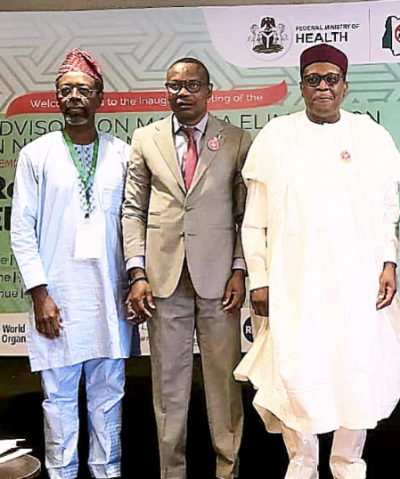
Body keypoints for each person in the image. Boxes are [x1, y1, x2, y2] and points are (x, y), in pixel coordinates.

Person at [234, 43, 400, 479]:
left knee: (356, 364)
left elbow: (389, 212)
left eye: (331, 79)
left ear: (345, 86)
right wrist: (258, 277)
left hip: (357, 280)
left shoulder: (371, 137)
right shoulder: (275, 137)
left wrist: (388, 263)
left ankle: (348, 461)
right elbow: (253, 221)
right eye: (314, 80)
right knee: (297, 363)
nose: (323, 87)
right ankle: (303, 461)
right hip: (295, 282)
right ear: (302, 86)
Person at [122, 57, 251, 479]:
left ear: (209, 90)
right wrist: (137, 273)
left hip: (219, 281)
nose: (183, 94)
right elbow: (132, 210)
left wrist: (239, 268)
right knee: (168, 387)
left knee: (224, 385)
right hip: (163, 281)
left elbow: (244, 214)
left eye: (192, 85)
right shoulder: (146, 139)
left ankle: (227, 470)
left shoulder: (235, 139)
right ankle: (171, 472)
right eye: (175, 86)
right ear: (166, 90)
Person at [10, 48, 133, 479]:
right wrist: (40, 293)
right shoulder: (36, 155)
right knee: (58, 399)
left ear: (100, 97)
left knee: (108, 396)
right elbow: (22, 228)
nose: (74, 97)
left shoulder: (123, 153)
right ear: (56, 99)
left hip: (108, 294)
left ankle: (107, 472)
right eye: (66, 90)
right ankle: (61, 474)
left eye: (83, 89)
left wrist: (135, 279)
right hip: (57, 296)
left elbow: (135, 224)